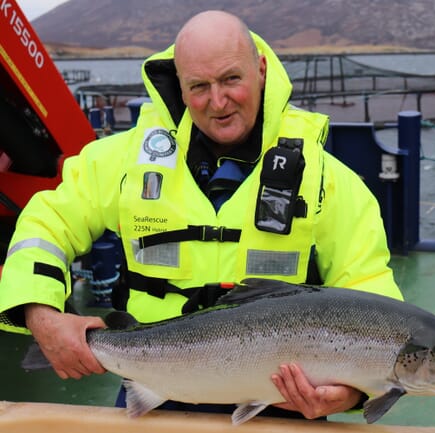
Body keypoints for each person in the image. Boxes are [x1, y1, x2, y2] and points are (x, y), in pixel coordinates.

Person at [0, 10, 403, 421]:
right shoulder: (122, 161)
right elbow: (45, 224)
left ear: (260, 69)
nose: (218, 101)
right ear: (179, 84)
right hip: (155, 391)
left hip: (282, 403)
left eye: (231, 79)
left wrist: (351, 392)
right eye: (199, 86)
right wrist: (41, 313)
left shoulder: (331, 182)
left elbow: (373, 301)